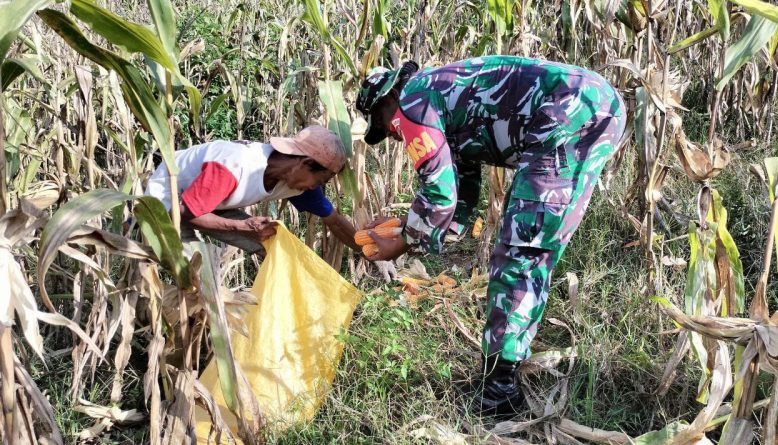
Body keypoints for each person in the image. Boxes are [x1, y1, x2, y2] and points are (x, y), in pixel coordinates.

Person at [356, 56, 626, 416]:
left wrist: (402, 240)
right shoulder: (441, 94)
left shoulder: (412, 102)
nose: (390, 132)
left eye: (380, 121)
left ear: (389, 98)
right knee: (533, 247)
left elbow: (439, 195)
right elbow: (461, 193)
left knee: (523, 251)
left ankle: (498, 392)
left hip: (568, 110)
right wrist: (416, 228)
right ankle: (503, 373)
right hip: (594, 104)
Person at [144, 125, 360, 256]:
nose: (316, 188)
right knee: (196, 268)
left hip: (213, 202)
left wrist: (369, 252)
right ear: (302, 163)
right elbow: (183, 213)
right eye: (319, 180)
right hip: (171, 200)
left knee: (275, 247)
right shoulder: (234, 166)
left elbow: (333, 219)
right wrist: (239, 226)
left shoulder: (298, 186)